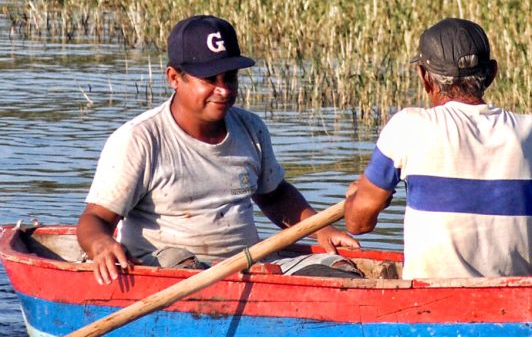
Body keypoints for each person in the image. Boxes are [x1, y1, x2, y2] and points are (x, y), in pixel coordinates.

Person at [77, 15, 359, 285]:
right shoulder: (140, 139)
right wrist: (101, 244)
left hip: (248, 264)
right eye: (210, 80)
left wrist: (321, 228)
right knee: (188, 267)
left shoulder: (250, 128)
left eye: (230, 78)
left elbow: (274, 197)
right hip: (168, 270)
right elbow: (95, 219)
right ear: (174, 77)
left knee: (341, 269)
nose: (223, 90)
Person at [345, 18, 532, 280]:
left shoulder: (409, 126)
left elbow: (357, 223)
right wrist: (513, 232)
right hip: (513, 299)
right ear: (492, 73)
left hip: (429, 300)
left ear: (425, 78)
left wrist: (355, 197)